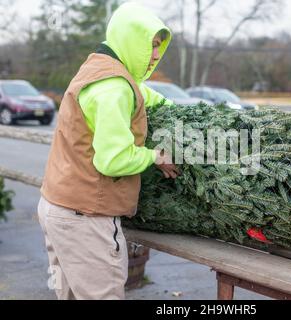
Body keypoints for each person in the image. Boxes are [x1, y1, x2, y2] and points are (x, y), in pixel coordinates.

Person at [37, 2, 180, 300]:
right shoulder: (113, 87)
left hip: (58, 207)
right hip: (85, 219)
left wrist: (174, 109)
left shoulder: (100, 70)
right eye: (151, 45)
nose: (156, 55)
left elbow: (141, 94)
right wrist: (155, 156)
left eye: (158, 47)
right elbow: (113, 160)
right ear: (130, 38)